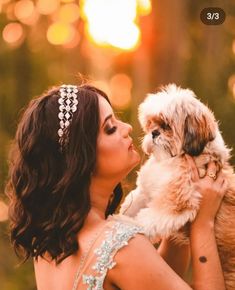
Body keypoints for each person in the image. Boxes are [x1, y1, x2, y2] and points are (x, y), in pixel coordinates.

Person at [6, 83, 227, 290]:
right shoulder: (120, 245)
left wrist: (176, 207)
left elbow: (152, 279)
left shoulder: (48, 243)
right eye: (110, 128)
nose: (128, 127)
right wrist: (202, 223)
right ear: (81, 159)